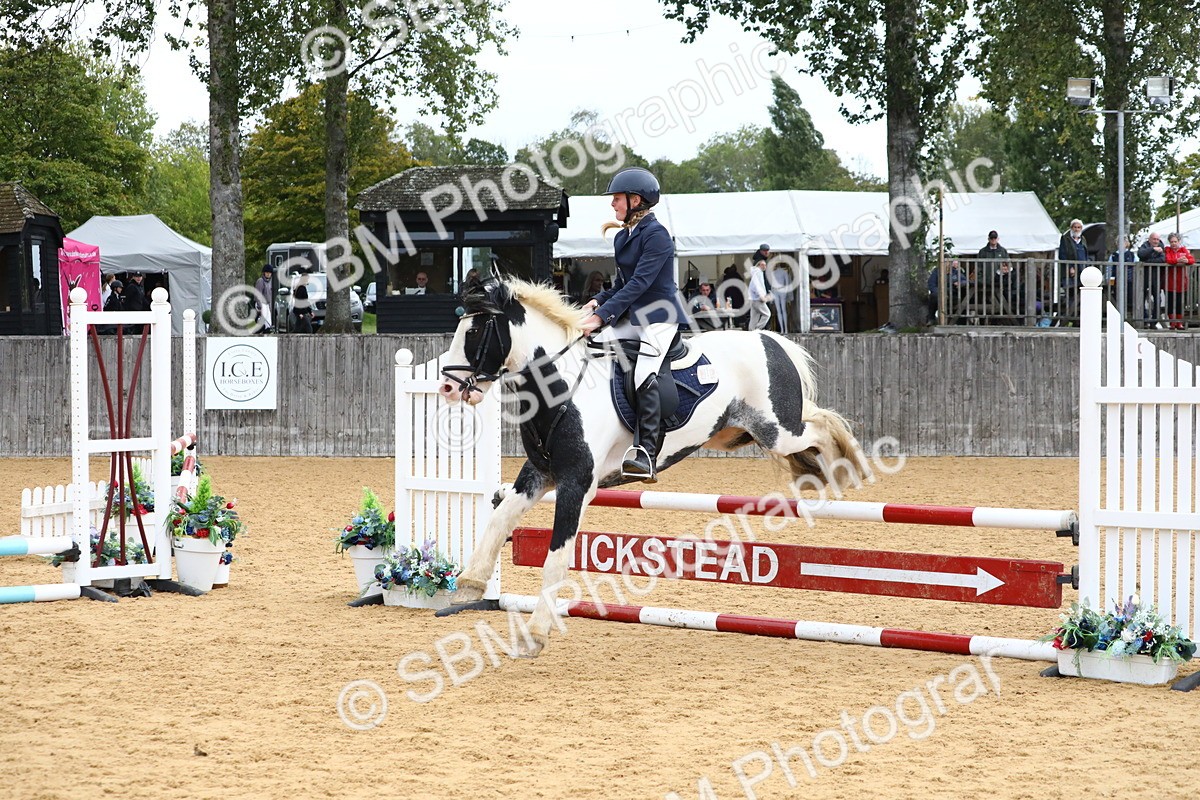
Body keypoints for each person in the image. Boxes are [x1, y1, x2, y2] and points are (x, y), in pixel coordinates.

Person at [582, 167, 686, 483]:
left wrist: (603, 315)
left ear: (635, 199)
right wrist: (597, 301)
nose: (613, 204)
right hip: (632, 318)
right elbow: (621, 284)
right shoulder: (623, 236)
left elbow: (640, 284)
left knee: (644, 371)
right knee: (592, 346)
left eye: (617, 198)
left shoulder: (657, 236)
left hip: (659, 317)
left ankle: (646, 454)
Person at [1164, 232, 1194, 330]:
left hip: (1181, 282)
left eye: (1175, 241)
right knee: (1170, 302)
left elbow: (1191, 260)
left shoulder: (1183, 250)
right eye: (1172, 242)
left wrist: (1186, 261)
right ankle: (1172, 323)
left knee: (1180, 303)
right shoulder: (1167, 250)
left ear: (1179, 241)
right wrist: (1178, 260)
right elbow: (1169, 260)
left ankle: (1179, 323)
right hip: (1170, 282)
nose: (1173, 244)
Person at [1138, 232, 1167, 326]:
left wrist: (1147, 262)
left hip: (1156, 277)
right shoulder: (1145, 245)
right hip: (1144, 276)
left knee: (1157, 299)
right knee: (1141, 298)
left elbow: (1163, 259)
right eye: (1154, 239)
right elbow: (1141, 254)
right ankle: (1145, 318)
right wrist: (1152, 249)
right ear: (1149, 239)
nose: (1156, 241)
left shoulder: (1162, 247)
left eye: (1157, 239)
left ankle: (1154, 321)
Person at [1108, 236, 1136, 316]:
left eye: (1123, 242)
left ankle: (1129, 316)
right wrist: (1110, 282)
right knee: (1116, 299)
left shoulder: (1132, 255)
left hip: (1129, 281)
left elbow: (1136, 267)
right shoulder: (1113, 256)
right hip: (1116, 281)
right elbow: (1109, 269)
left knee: (1130, 299)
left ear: (1127, 243)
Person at [719, 263, 747, 329]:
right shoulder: (739, 277)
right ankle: (740, 324)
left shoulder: (726, 277)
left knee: (730, 311)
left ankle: (730, 324)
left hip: (729, 297)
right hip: (739, 297)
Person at [747, 255, 771, 331]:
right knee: (767, 314)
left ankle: (751, 331)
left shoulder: (755, 272)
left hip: (753, 298)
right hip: (758, 298)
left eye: (765, 265)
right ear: (759, 265)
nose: (764, 266)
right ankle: (758, 329)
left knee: (754, 317)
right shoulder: (758, 273)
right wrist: (761, 295)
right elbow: (756, 285)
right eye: (763, 265)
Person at [254, 264, 275, 334]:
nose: (268, 274)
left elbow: (270, 296)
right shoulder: (260, 281)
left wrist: (270, 307)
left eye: (270, 273)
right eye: (267, 273)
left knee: (268, 325)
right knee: (264, 324)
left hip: (267, 304)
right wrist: (260, 307)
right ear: (264, 273)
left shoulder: (270, 282)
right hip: (262, 304)